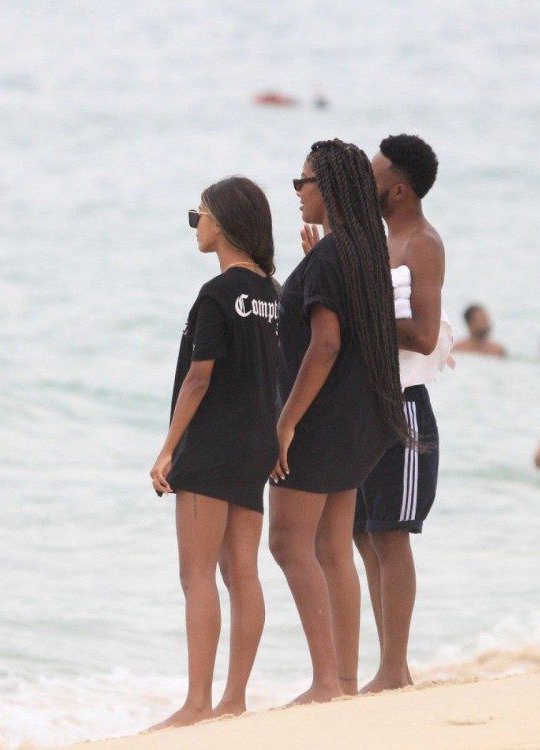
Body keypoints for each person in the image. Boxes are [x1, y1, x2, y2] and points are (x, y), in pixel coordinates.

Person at [271, 139, 407, 705]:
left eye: (302, 181)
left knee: (287, 543)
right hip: (360, 421)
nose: (297, 191)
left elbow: (324, 345)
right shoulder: (363, 250)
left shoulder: (332, 257)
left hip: (321, 423)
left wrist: (285, 422)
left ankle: (327, 681)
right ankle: (343, 683)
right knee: (332, 547)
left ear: (326, 185)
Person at [147, 176, 280, 729]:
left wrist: (167, 449)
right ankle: (234, 700)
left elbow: (199, 379)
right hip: (256, 445)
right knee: (242, 571)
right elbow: (280, 374)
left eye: (196, 215)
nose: (195, 226)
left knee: (197, 575)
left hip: (211, 444)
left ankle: (197, 704)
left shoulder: (217, 294)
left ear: (220, 222)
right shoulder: (274, 295)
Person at [352, 133, 450, 694]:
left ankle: (396, 669)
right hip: (366, 406)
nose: (365, 183)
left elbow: (425, 332)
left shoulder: (422, 243)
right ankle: (386, 666)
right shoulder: (380, 240)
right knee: (364, 535)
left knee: (392, 535)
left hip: (404, 410)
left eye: (373, 176)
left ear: (398, 188)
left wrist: (358, 318)